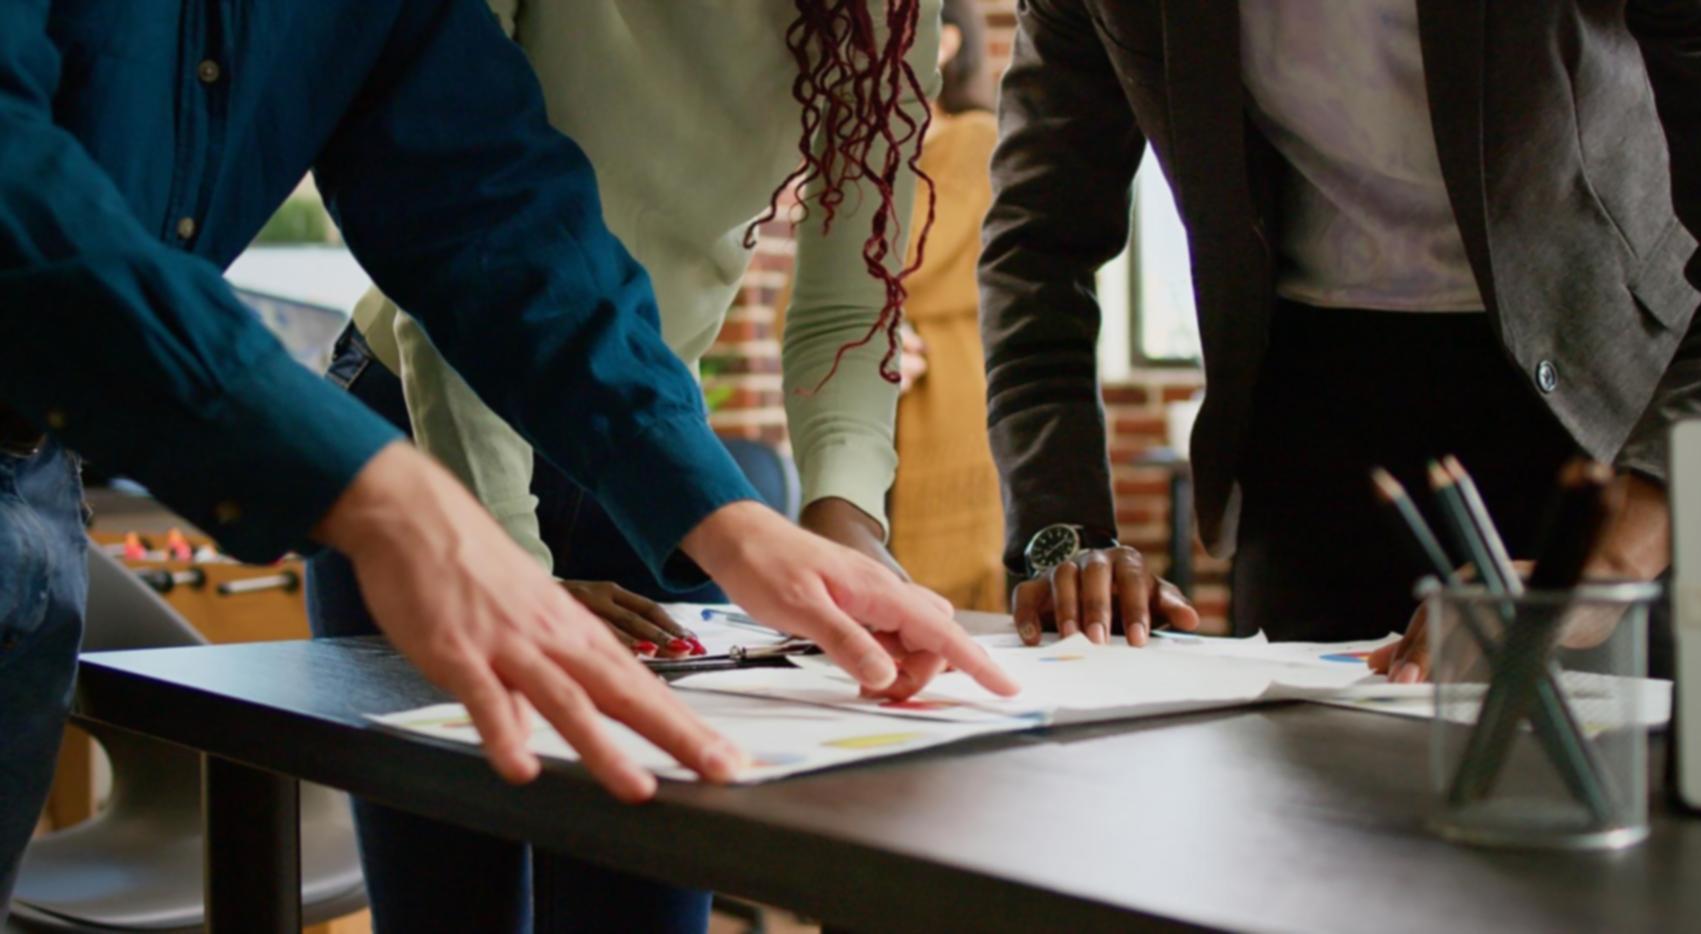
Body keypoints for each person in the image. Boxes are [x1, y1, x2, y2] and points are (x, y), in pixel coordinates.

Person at [0, 0, 1014, 922]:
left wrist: (727, 512)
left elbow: (484, 208)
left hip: (40, 474)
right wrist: (402, 499)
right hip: (391, 428)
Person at [303, 1, 984, 930]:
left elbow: (847, 307)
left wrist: (846, 519)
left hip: (649, 464)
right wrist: (513, 567)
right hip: (424, 447)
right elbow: (458, 235)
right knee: (452, 912)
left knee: (644, 905)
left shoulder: (888, 12)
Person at [980, 1, 1701, 676]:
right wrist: (1065, 532)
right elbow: (1038, 248)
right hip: (1311, 418)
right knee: (1312, 799)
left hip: (1619, 422)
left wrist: (1617, 558)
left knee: (1623, 794)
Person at [885, 0, 1009, 611]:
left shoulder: (974, 138)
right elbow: (807, 300)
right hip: (878, 396)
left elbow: (906, 257)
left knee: (952, 593)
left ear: (949, 41)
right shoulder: (869, 152)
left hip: (954, 389)